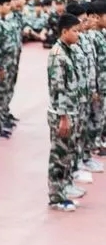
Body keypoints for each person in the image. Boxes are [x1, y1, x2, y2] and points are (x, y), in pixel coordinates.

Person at [47, 13, 81, 212]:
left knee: (67, 154)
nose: (78, 35)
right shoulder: (58, 54)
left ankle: (62, 192)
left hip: (70, 110)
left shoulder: (68, 51)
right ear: (64, 31)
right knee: (58, 156)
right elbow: (58, 88)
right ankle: (55, 196)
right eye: (75, 31)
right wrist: (63, 117)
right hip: (62, 113)